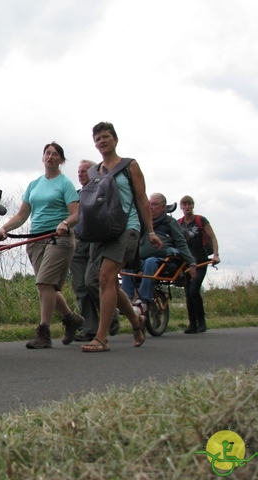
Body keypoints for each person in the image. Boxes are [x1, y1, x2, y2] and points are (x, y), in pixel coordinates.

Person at [81, 122, 162, 353]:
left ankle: (101, 338)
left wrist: (151, 232)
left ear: (115, 139)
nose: (102, 141)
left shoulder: (129, 165)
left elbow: (142, 199)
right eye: (97, 139)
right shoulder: (93, 172)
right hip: (102, 231)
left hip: (128, 226)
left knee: (106, 277)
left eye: (106, 137)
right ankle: (137, 321)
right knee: (99, 281)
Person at [0, 141, 84, 349]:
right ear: (43, 157)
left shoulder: (65, 184)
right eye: (47, 153)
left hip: (58, 238)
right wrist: (4, 228)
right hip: (36, 240)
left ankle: (44, 333)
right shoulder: (34, 185)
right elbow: (21, 215)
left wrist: (64, 223)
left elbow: (76, 214)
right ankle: (71, 319)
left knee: (44, 283)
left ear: (61, 160)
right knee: (47, 287)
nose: (50, 157)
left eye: (55, 154)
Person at [121, 193, 196, 313]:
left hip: (165, 262)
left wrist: (191, 263)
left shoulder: (170, 222)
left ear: (163, 208)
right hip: (142, 261)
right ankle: (126, 300)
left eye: (155, 205)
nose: (150, 207)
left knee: (151, 261)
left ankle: (143, 301)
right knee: (127, 264)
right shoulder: (144, 223)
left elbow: (181, 243)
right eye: (149, 204)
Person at [71, 160, 120, 342]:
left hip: (95, 240)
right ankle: (89, 327)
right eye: (79, 171)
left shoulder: (103, 190)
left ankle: (111, 315)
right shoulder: (76, 196)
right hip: (77, 239)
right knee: (80, 286)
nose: (81, 174)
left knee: (92, 281)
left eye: (85, 170)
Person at [178, 195, 220, 333]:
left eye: (189, 204)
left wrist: (215, 254)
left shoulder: (200, 220)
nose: (187, 207)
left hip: (201, 260)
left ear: (193, 205)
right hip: (186, 262)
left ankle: (202, 322)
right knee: (188, 293)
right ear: (181, 207)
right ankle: (192, 324)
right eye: (184, 205)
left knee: (194, 290)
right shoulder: (179, 223)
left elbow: (212, 237)